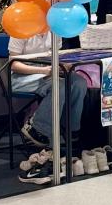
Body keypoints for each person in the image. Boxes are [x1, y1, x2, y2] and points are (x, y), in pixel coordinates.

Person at [11, 25, 104, 182]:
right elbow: (14, 64)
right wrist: (44, 71)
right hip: (23, 77)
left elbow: (57, 56)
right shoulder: (21, 28)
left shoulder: (55, 29)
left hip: (48, 73)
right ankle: (37, 128)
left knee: (79, 82)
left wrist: (63, 66)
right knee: (59, 86)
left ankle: (71, 129)